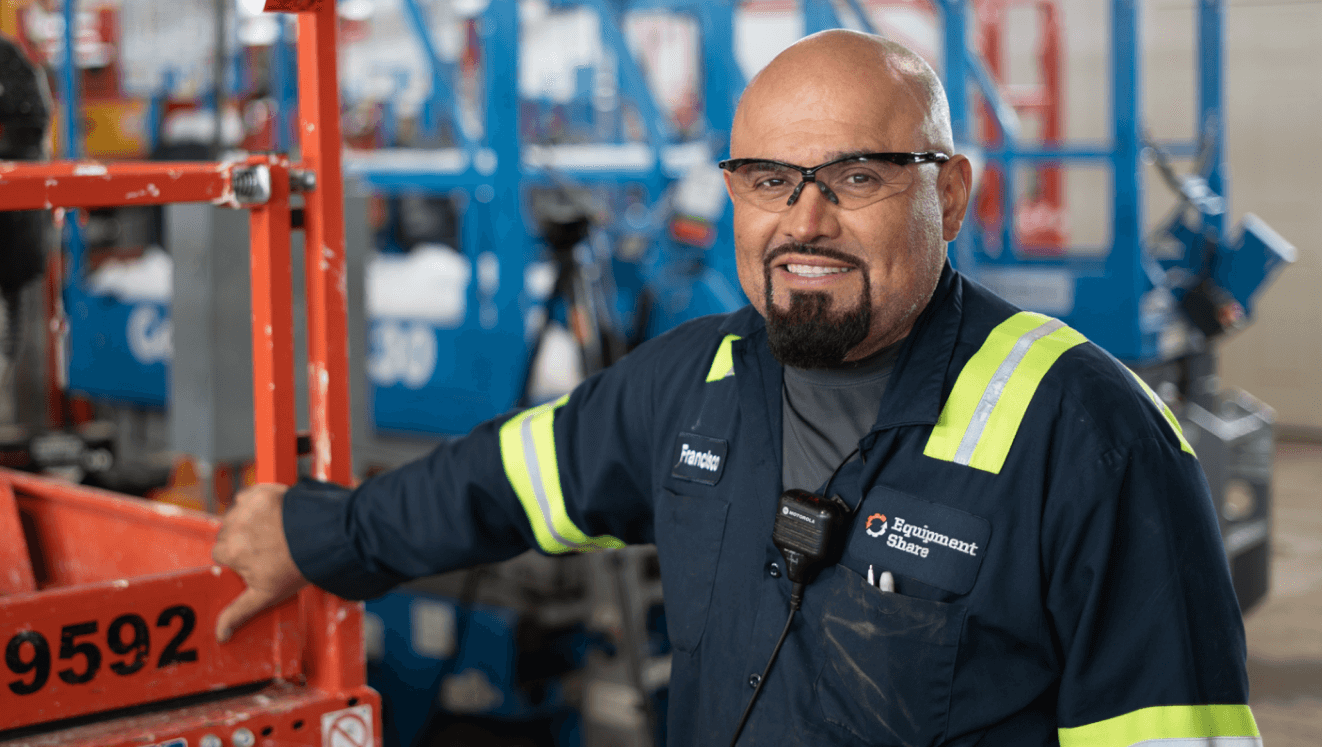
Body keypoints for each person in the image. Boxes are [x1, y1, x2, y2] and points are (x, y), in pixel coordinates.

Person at [212, 30, 1259, 747]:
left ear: (945, 189)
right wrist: (321, 537)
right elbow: (511, 478)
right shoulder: (699, 381)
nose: (803, 223)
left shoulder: (1087, 437)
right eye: (768, 181)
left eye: (855, 177)